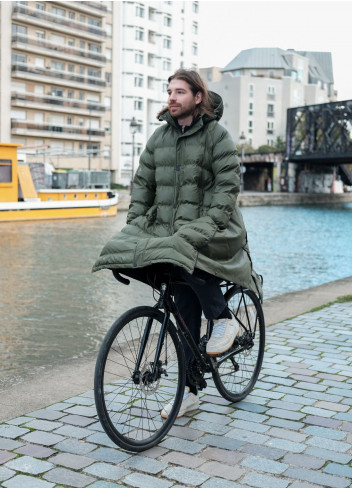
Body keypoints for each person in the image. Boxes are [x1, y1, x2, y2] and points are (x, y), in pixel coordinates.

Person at [93, 68, 262, 418]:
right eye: (169, 91)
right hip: (170, 232)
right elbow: (142, 189)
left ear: (197, 97)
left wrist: (205, 226)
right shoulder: (158, 139)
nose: (171, 97)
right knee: (179, 305)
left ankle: (223, 318)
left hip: (217, 229)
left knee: (187, 253)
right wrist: (136, 225)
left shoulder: (218, 136)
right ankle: (189, 391)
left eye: (180, 92)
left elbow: (227, 190)